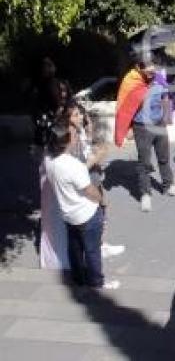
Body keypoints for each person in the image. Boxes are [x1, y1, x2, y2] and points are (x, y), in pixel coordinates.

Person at [44, 121, 119, 290]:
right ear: (67, 141)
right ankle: (97, 282)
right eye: (74, 135)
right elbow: (89, 190)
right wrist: (101, 200)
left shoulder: (50, 162)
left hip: (68, 214)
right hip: (86, 213)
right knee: (92, 251)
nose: (77, 136)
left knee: (75, 249)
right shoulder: (73, 166)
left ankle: (78, 279)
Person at [117, 53, 175, 212]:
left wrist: (168, 119)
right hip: (142, 127)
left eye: (152, 67)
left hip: (159, 124)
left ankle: (168, 186)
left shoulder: (159, 79)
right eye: (147, 68)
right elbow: (124, 106)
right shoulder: (131, 82)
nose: (150, 71)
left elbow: (165, 97)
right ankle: (145, 194)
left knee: (164, 158)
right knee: (144, 163)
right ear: (138, 67)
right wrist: (127, 128)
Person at [63, 102, 124, 259]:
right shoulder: (70, 137)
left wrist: (89, 133)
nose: (81, 117)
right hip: (87, 180)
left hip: (94, 176)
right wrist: (97, 157)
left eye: (81, 114)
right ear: (67, 118)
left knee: (102, 208)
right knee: (95, 213)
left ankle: (101, 244)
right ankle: (96, 248)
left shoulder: (79, 131)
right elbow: (77, 167)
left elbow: (87, 150)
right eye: (76, 115)